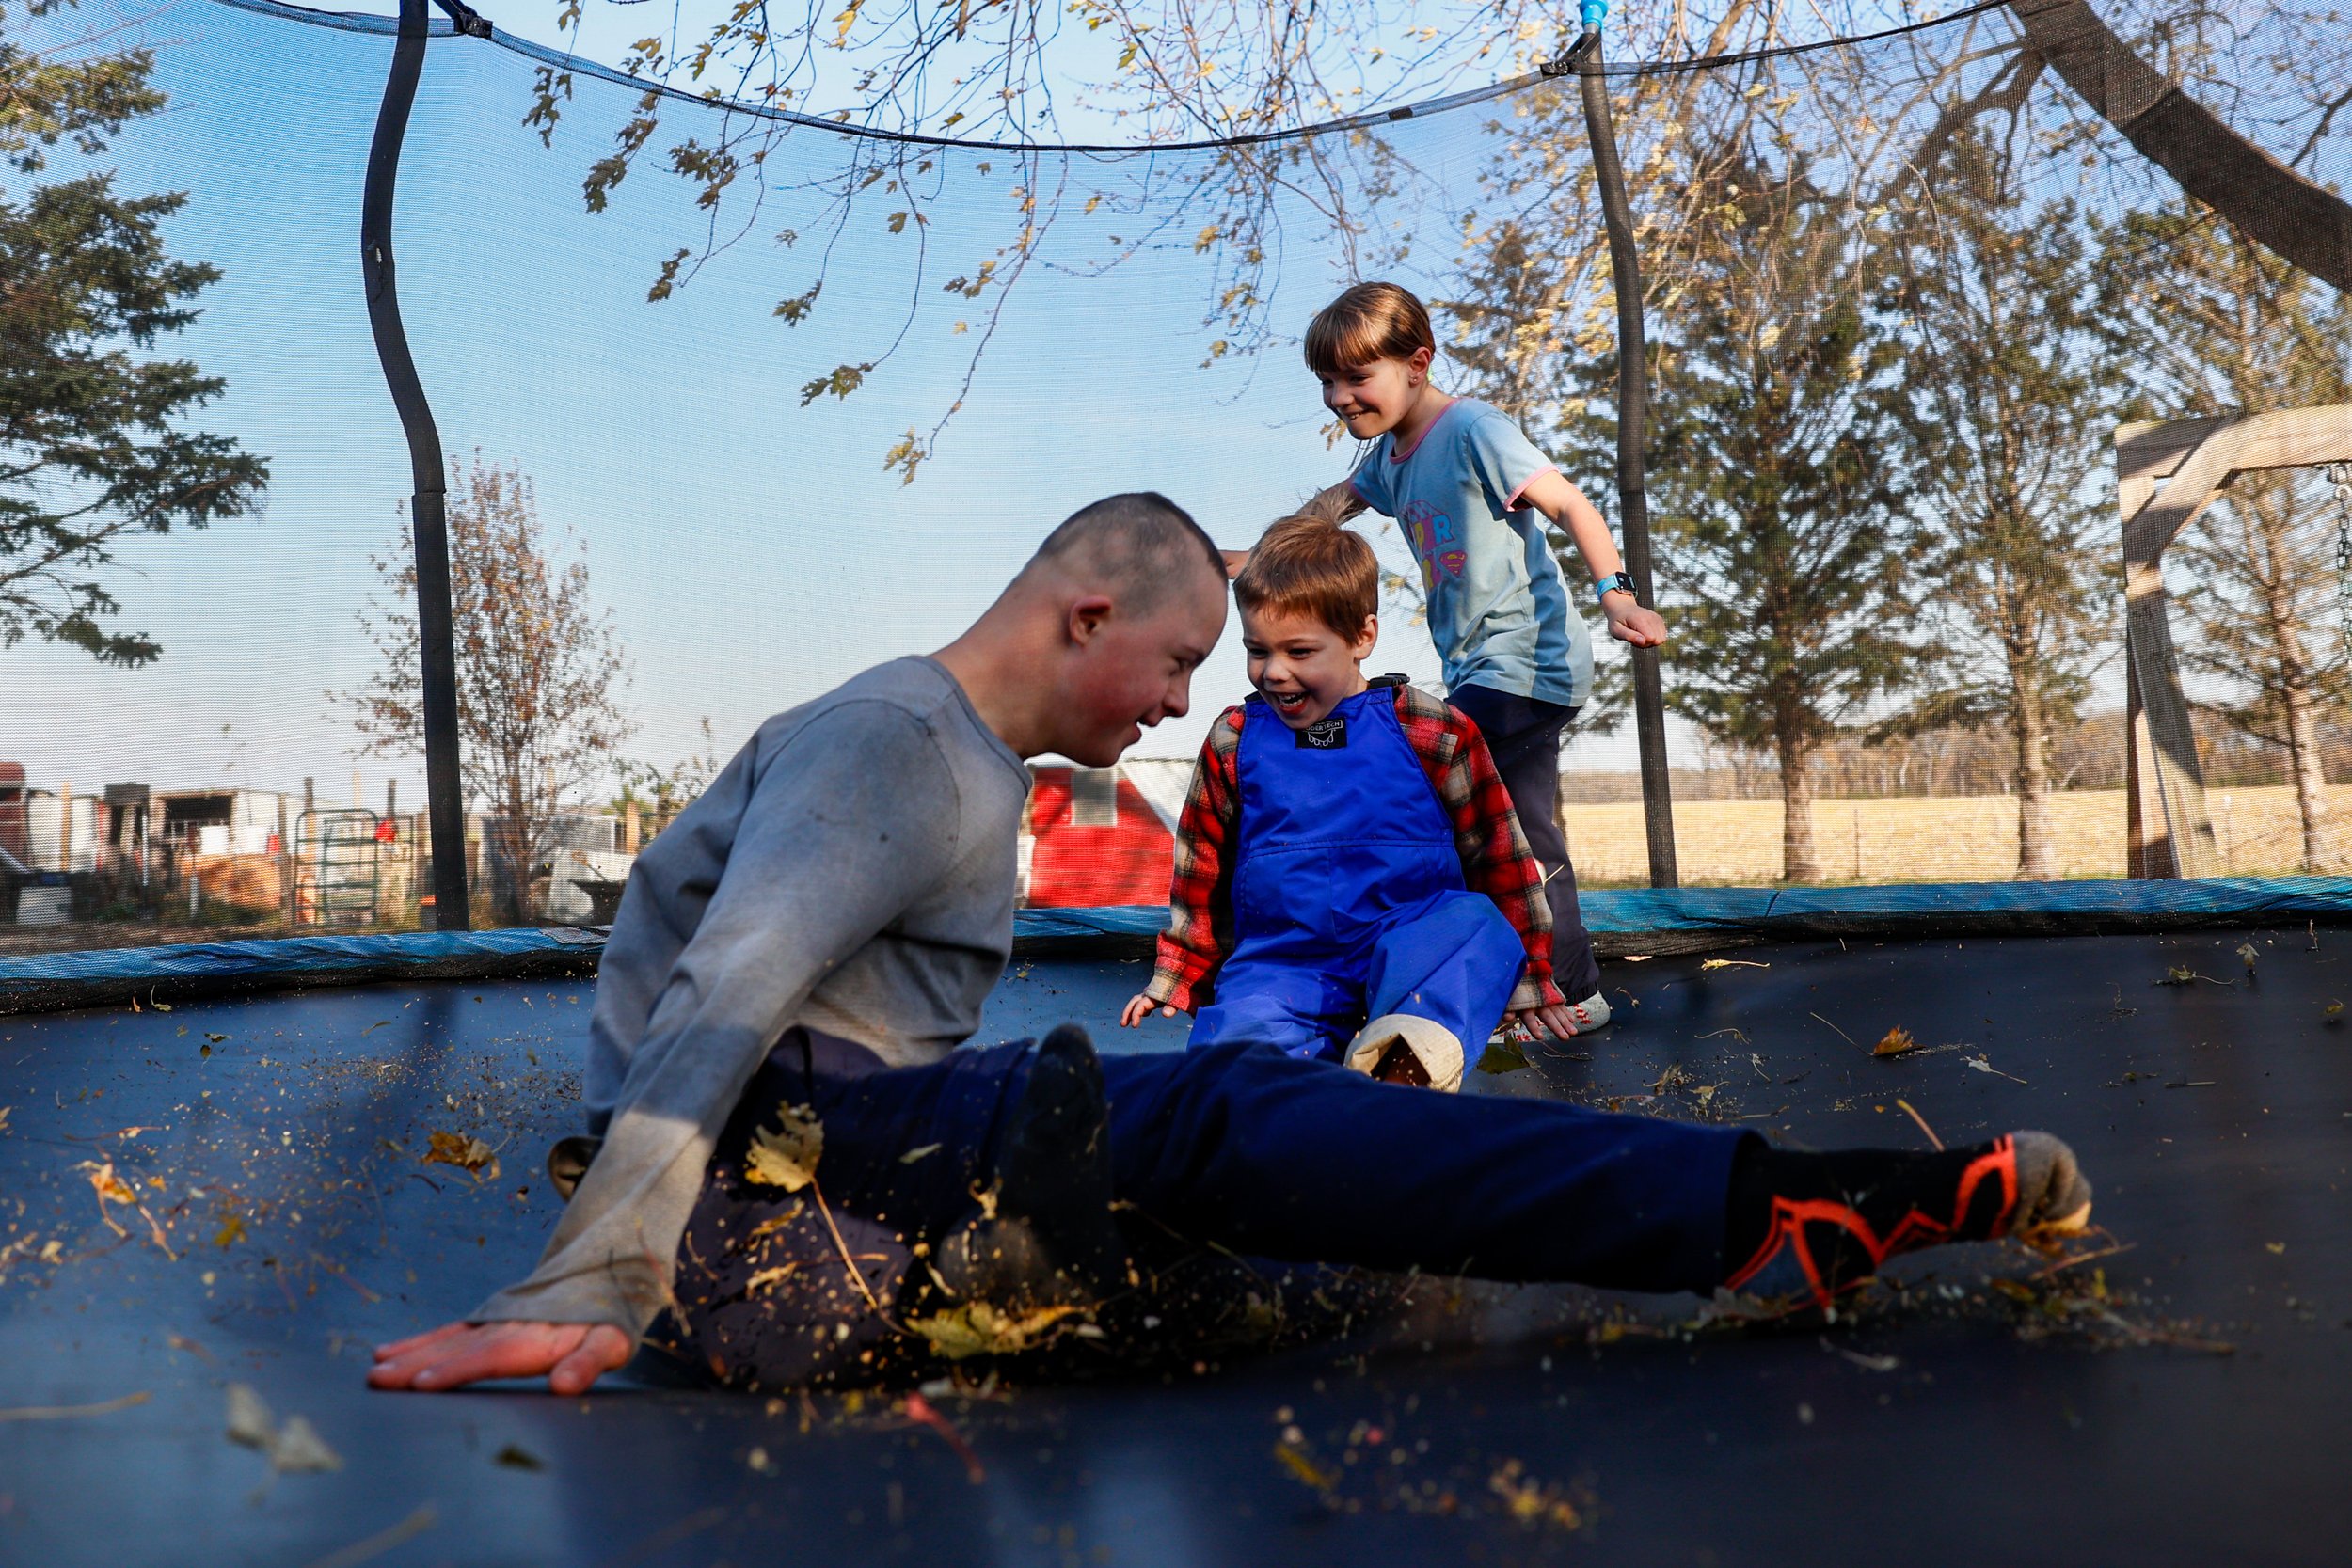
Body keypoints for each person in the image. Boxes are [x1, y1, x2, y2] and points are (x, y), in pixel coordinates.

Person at [368, 492, 2092, 1398]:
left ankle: (988, 1274)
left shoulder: (947, 753)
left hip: (875, 1138)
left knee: (1228, 1228)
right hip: (780, 1150)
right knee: (1213, 1119)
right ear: (1087, 615)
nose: (1196, 699)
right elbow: (724, 990)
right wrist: (602, 1261)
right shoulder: (899, 742)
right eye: (1180, 660)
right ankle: (1770, 1209)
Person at [1298, 281, 1660, 1036]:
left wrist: (1617, 595)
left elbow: (1571, 505)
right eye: (1327, 381)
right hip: (1477, 671)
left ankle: (1570, 988)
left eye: (1356, 378)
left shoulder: (1473, 430)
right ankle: (1519, 976)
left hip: (1525, 664)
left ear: (1417, 363)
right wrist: (1246, 558)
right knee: (1492, 823)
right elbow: (1324, 509)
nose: (1338, 396)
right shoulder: (1391, 460)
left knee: (1490, 818)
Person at [1118, 506, 1575, 1092]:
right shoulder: (1235, 737)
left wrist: (1531, 975)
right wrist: (1179, 973)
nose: (1274, 672)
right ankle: (1267, 1110)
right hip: (1284, 963)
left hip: (1409, 946)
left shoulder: (1432, 729)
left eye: (1300, 652)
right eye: (1257, 650)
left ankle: (1402, 1068)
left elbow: (1500, 854)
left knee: (1473, 925)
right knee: (1235, 1065)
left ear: (1362, 637)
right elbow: (1200, 867)